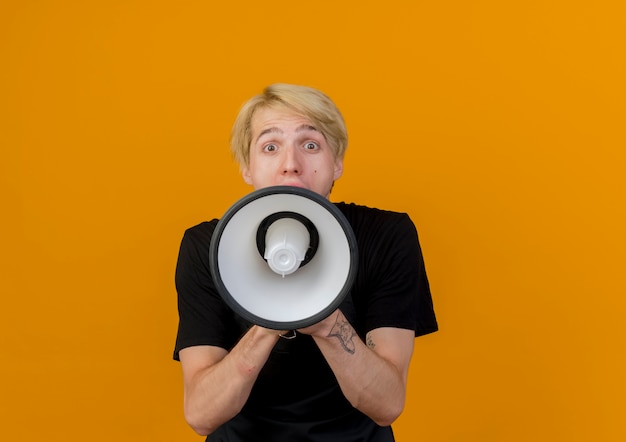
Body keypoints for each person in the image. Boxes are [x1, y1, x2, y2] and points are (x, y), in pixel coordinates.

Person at [173, 83, 438, 441]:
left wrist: (323, 319)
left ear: (337, 163)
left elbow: (387, 403)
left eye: (310, 145)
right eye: (270, 147)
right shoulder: (206, 246)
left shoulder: (387, 235)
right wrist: (271, 316)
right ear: (247, 169)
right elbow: (202, 414)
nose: (291, 165)